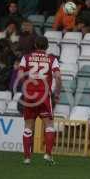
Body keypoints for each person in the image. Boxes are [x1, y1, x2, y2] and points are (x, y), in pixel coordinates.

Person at [18, 36, 62, 165]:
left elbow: (20, 75)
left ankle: (27, 158)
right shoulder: (52, 59)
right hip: (44, 96)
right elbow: (58, 77)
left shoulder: (25, 58)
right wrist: (57, 94)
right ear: (47, 47)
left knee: (28, 126)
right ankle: (48, 155)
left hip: (30, 96)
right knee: (49, 125)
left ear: (35, 45)